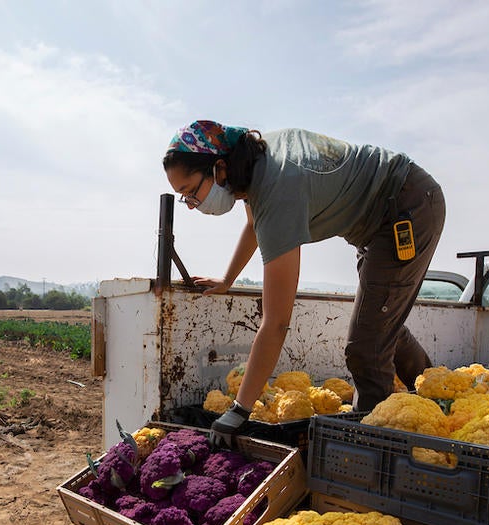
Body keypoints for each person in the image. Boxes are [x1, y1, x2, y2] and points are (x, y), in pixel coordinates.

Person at [163, 119, 446, 447]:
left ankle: (371, 455)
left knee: (366, 349)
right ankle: (434, 393)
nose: (192, 205)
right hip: (380, 219)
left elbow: (277, 322)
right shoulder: (254, 164)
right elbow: (254, 224)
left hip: (406, 207)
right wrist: (228, 279)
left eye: (190, 192)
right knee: (381, 324)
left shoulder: (277, 187)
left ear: (219, 168)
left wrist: (240, 410)